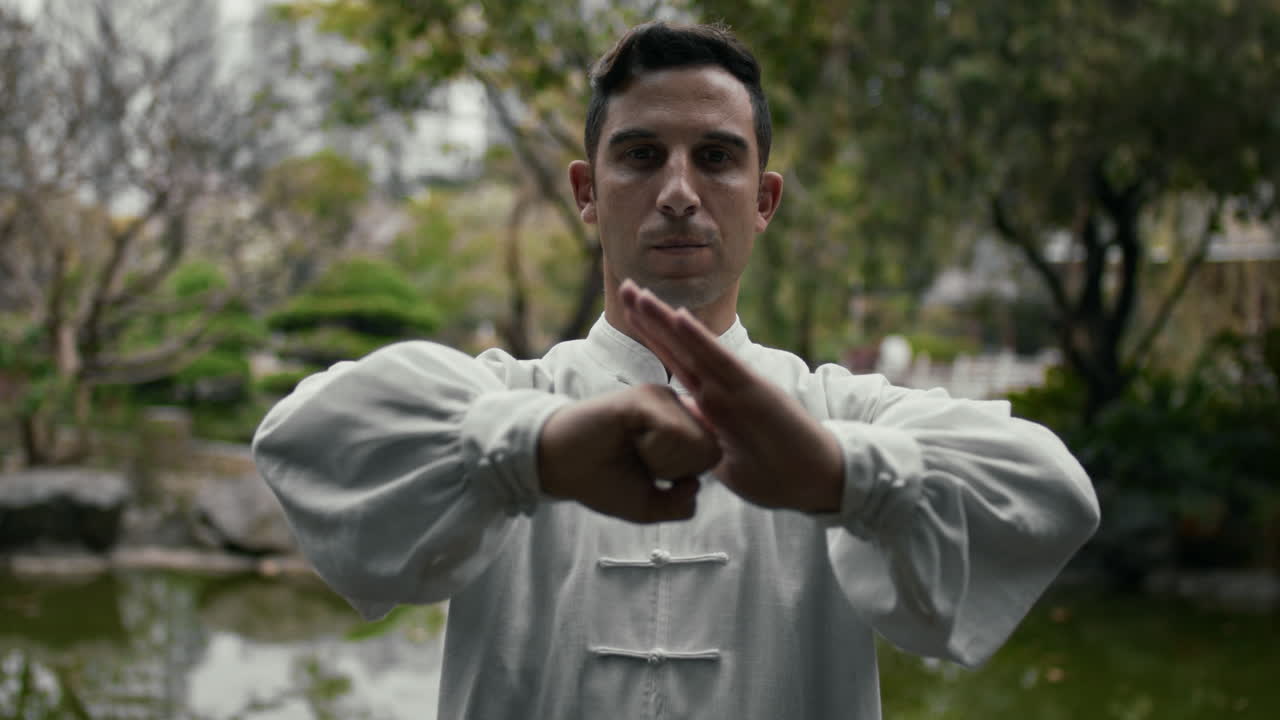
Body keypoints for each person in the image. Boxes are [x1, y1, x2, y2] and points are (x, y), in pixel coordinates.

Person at [253, 21, 1100, 719]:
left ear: (764, 201)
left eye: (718, 158)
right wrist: (530, 452)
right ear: (588, 191)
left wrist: (845, 476)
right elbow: (302, 437)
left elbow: (1052, 492)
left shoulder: (836, 412)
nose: (680, 191)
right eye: (642, 154)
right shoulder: (508, 401)